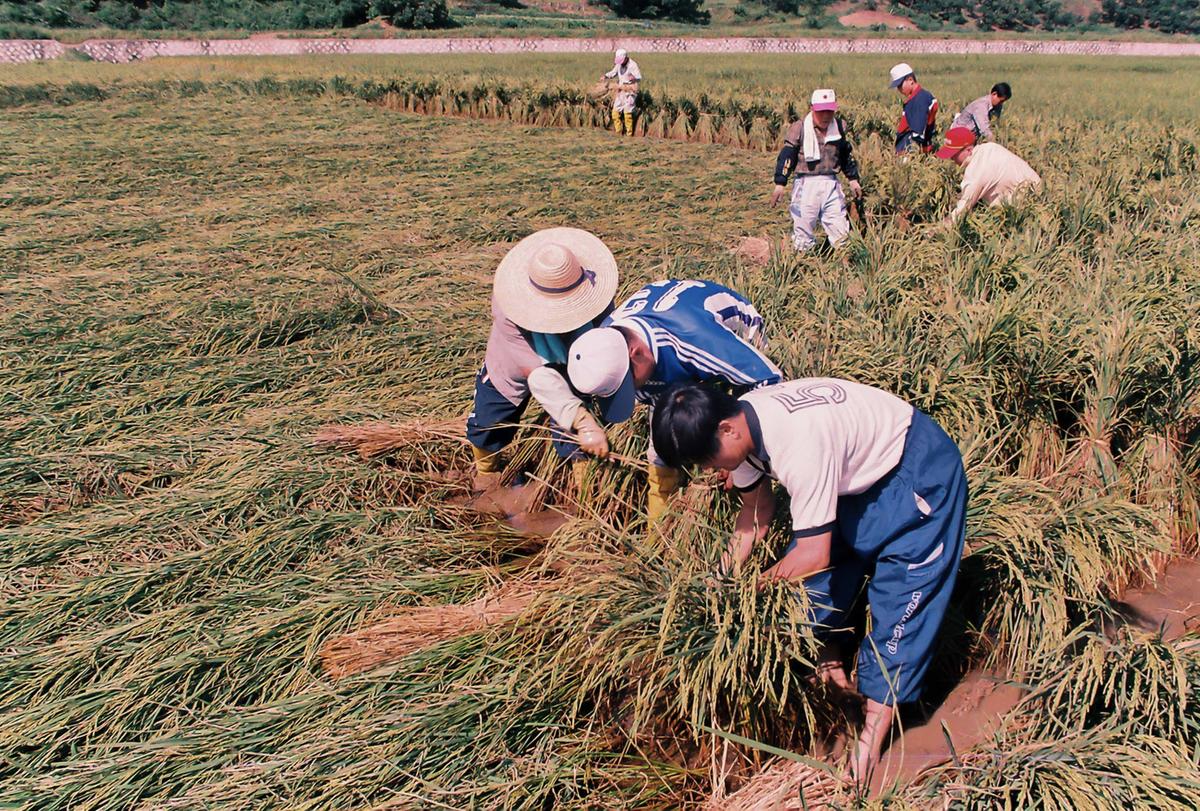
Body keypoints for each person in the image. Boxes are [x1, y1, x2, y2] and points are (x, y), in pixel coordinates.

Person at [650, 379, 967, 784]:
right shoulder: (740, 423)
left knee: (900, 608)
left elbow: (812, 555)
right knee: (815, 594)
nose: (710, 470)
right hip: (858, 480)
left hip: (916, 472)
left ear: (726, 429)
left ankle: (867, 749)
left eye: (707, 459)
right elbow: (756, 514)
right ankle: (831, 655)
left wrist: (750, 591)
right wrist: (720, 581)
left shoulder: (796, 442)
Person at [565, 279, 783, 520]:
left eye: (628, 385)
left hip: (737, 332)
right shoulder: (606, 342)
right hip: (665, 361)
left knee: (740, 421)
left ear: (636, 354)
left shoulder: (695, 341)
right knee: (659, 444)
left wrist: (741, 458)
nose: (635, 394)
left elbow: (768, 380)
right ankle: (657, 529)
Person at [467, 227, 623, 489]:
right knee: (488, 422)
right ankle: (486, 476)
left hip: (575, 359)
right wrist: (582, 420)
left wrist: (582, 421)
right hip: (515, 364)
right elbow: (537, 374)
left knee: (573, 433)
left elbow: (605, 341)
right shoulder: (508, 309)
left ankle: (582, 493)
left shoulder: (598, 296)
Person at [769, 89, 863, 253]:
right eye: (821, 112)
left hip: (831, 183)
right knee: (803, 226)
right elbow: (787, 156)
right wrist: (780, 183)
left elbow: (845, 155)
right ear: (813, 109)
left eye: (829, 111)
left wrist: (853, 179)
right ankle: (803, 263)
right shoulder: (799, 128)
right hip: (807, 184)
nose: (826, 116)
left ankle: (845, 267)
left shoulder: (839, 127)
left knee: (840, 228)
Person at [935, 126, 1042, 224]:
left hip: (1029, 207)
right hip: (1037, 192)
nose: (951, 158)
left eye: (953, 154)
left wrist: (936, 230)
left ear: (968, 150)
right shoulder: (988, 148)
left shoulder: (976, 171)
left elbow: (962, 209)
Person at [889, 63, 939, 155]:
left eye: (900, 85)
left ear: (910, 80)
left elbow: (917, 134)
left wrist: (910, 155)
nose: (899, 89)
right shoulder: (922, 96)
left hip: (909, 150)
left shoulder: (919, 100)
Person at [602, 49, 641, 136]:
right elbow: (613, 72)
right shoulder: (619, 65)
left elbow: (639, 77)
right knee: (615, 112)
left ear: (626, 58)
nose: (621, 63)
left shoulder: (633, 65)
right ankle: (618, 132)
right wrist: (605, 76)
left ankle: (629, 134)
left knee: (627, 113)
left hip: (630, 91)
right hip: (620, 90)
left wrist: (633, 78)